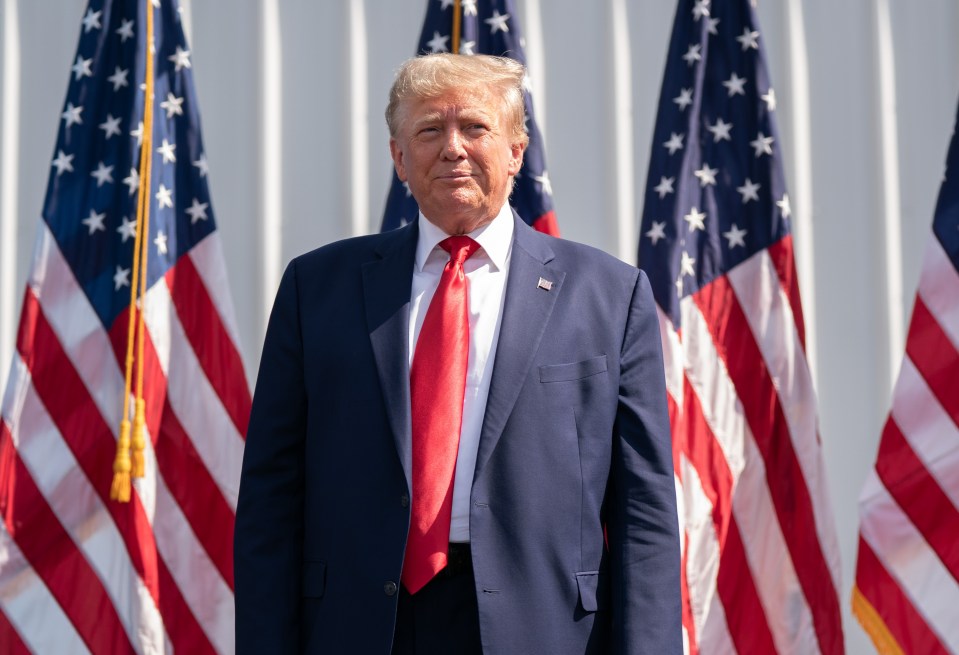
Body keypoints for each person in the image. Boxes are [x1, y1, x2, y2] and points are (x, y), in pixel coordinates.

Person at [234, 53, 681, 654]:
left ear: (516, 150)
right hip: (359, 624)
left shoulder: (610, 294)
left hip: (545, 628)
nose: (452, 148)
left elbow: (643, 509)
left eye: (475, 127)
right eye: (428, 131)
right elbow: (270, 497)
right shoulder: (317, 289)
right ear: (398, 158)